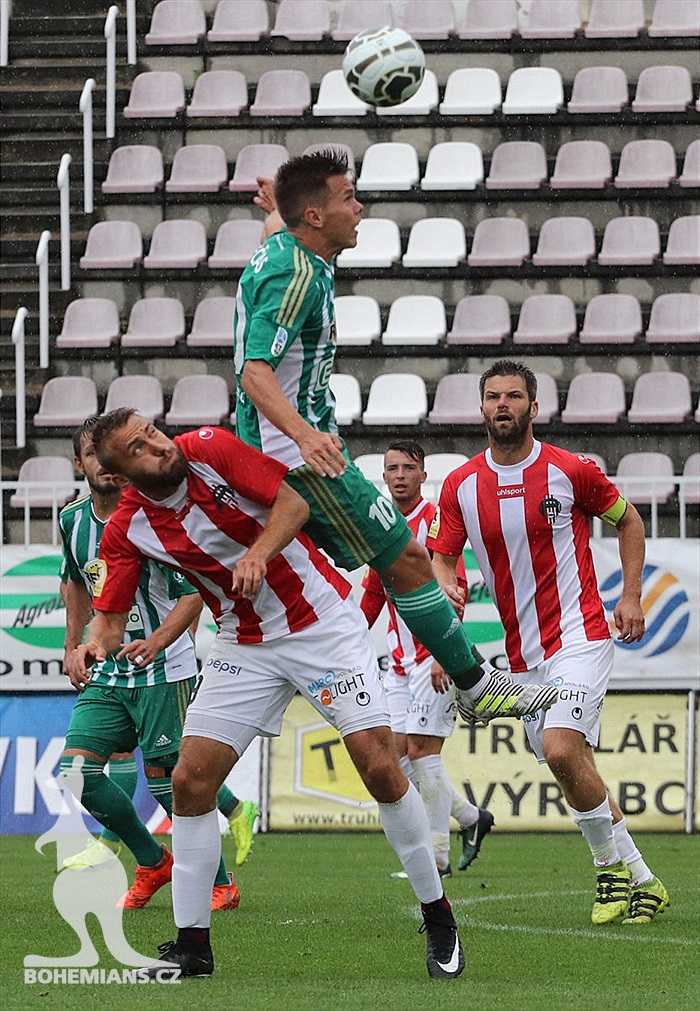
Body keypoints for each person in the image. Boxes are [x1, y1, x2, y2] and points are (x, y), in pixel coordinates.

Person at [71, 409, 466, 981]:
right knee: (189, 780)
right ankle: (192, 947)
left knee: (381, 766)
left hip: (322, 626)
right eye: (140, 446)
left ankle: (438, 915)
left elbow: (295, 502)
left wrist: (258, 551)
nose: (159, 444)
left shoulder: (208, 446)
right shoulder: (126, 529)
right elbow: (107, 621)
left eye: (153, 430)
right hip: (244, 642)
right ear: (121, 472)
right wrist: (91, 647)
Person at [234, 149, 557, 729]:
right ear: (315, 215)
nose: (360, 209)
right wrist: (305, 435)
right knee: (406, 558)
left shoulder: (283, 246)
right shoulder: (295, 272)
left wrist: (276, 202)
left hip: (281, 448)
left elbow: (277, 225)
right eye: (347, 199)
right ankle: (472, 683)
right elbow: (255, 372)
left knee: (351, 576)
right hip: (299, 459)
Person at [429, 360, 669, 926]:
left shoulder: (570, 470)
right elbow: (442, 558)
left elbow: (629, 522)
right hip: (523, 658)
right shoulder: (462, 486)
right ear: (481, 408)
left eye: (515, 396)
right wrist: (447, 584)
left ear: (534, 408)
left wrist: (631, 594)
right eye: (493, 397)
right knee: (572, 765)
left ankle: (606, 869)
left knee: (562, 748)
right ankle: (644, 881)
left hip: (580, 636)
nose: (503, 405)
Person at [59, 418, 247, 911]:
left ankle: (220, 880)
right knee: (76, 773)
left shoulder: (150, 518)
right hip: (108, 667)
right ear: (81, 464)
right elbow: (77, 583)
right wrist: (74, 644)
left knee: (172, 785)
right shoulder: (72, 521)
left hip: (165, 668)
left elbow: (193, 596)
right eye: (92, 456)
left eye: (108, 457)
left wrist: (158, 643)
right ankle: (152, 860)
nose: (102, 465)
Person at [359, 442, 494, 875]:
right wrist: (351, 642)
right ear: (383, 477)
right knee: (396, 756)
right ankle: (472, 818)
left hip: (430, 657)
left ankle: (436, 858)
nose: (399, 475)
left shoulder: (435, 520)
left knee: (421, 751)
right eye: (392, 468)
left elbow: (457, 586)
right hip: (398, 661)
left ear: (422, 475)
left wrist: (444, 652)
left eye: (408, 468)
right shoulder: (381, 525)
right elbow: (375, 590)